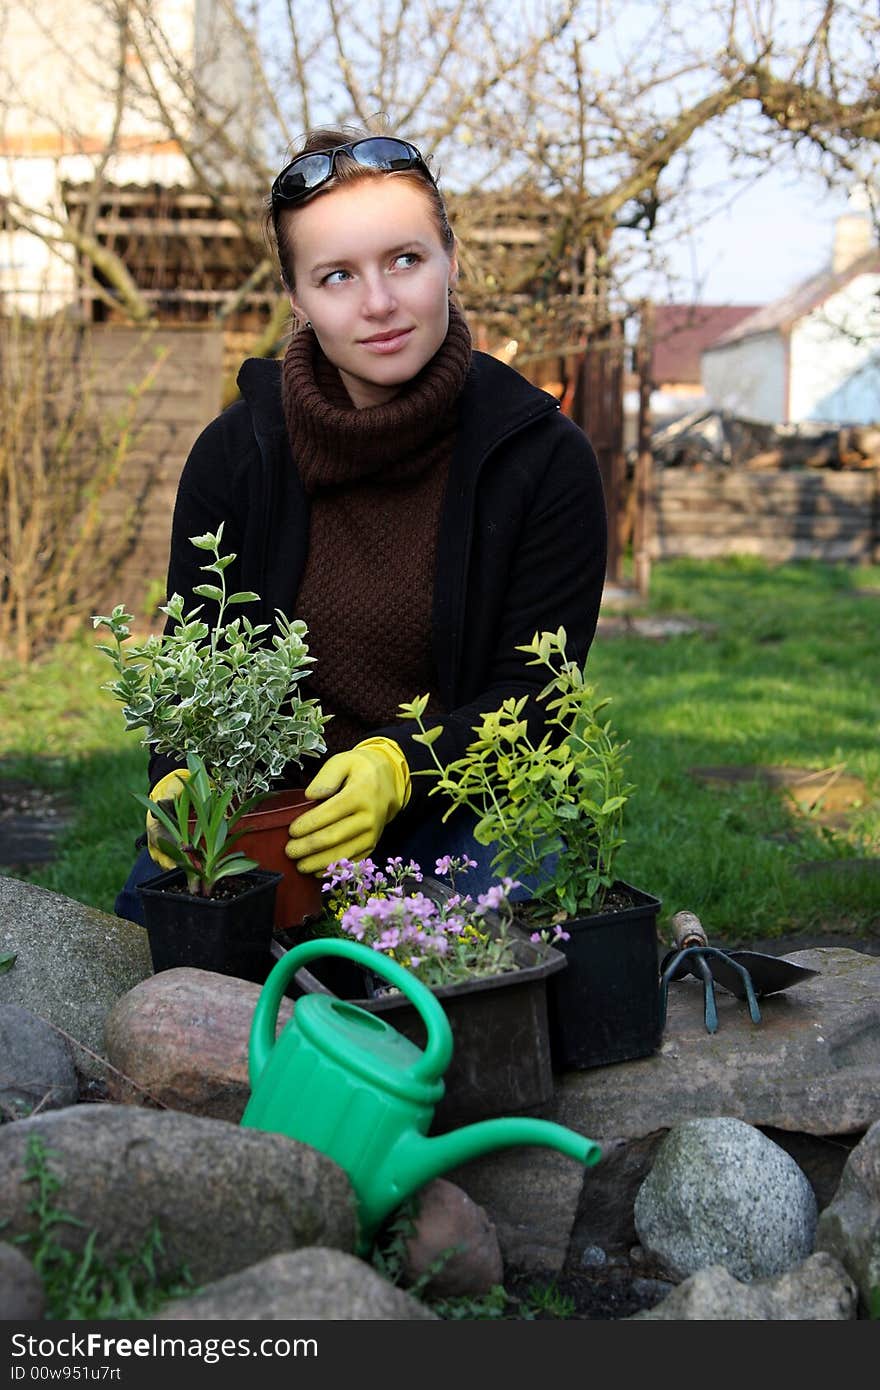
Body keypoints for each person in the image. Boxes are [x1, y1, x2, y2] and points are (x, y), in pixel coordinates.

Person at [115, 123, 607, 925]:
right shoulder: (235, 455)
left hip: (458, 809)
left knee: (479, 991)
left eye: (404, 260)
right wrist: (178, 773)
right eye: (337, 275)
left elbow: (538, 696)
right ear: (298, 298)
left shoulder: (543, 459)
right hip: (271, 813)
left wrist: (400, 766)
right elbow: (195, 663)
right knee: (153, 985)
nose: (379, 303)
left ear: (450, 257)